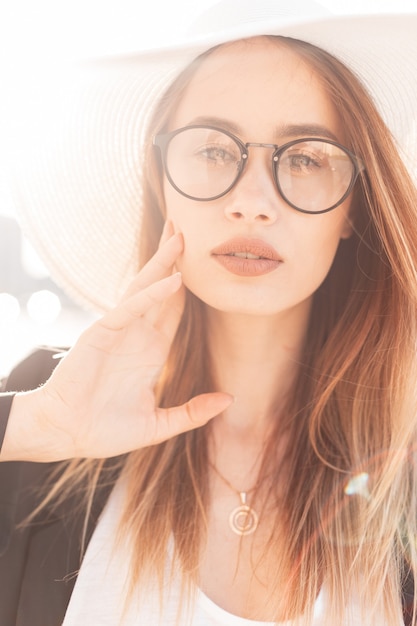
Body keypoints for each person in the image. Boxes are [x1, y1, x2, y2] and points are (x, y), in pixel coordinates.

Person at [1, 1, 417, 624]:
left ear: (354, 204)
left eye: (304, 157)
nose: (251, 203)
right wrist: (31, 428)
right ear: (159, 180)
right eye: (214, 151)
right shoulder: (45, 417)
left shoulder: (402, 475)